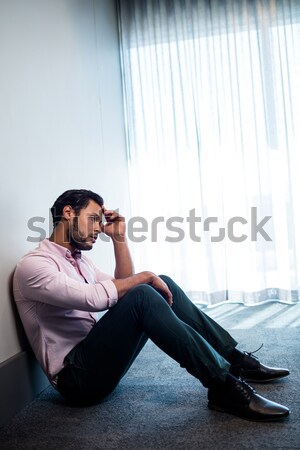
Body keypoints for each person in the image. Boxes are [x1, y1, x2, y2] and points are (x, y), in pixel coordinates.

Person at [13, 189, 290, 421]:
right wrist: (145, 277)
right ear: (69, 213)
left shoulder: (78, 260)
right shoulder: (34, 265)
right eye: (93, 219)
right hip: (77, 381)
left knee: (157, 283)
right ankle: (223, 386)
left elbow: (122, 287)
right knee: (145, 290)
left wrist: (119, 238)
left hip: (96, 357)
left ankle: (235, 361)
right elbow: (95, 299)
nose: (99, 228)